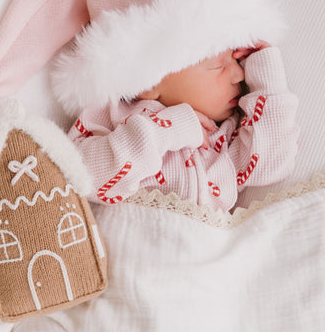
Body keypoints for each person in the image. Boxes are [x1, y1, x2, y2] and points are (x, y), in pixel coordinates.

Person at [66, 40, 299, 212]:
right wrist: (169, 128)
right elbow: (82, 175)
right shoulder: (113, 116)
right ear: (151, 80)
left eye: (237, 61)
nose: (239, 74)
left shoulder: (222, 137)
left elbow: (272, 163)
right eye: (219, 65)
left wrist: (265, 75)